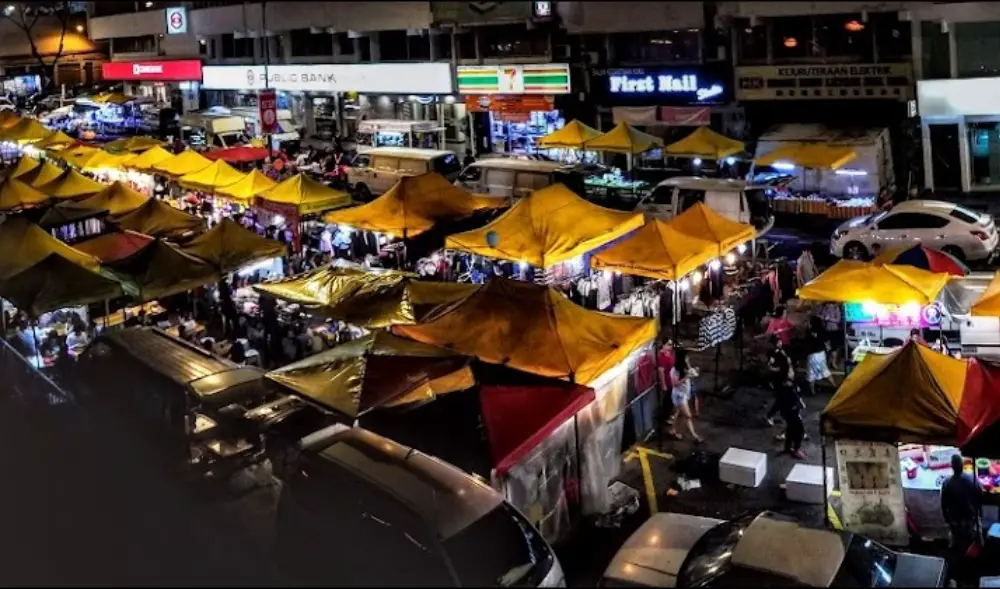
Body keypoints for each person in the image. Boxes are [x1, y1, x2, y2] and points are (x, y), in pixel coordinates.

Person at [941, 454, 983, 566]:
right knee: (972, 542)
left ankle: (958, 564)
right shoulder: (973, 480)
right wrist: (979, 514)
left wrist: (948, 520)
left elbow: (943, 505)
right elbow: (980, 497)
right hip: (970, 519)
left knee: (957, 544)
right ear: (963, 465)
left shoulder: (947, 483)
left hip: (956, 520)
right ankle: (970, 564)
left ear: (952, 467)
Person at [668, 348, 703, 443]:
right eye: (686, 357)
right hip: (679, 396)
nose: (687, 359)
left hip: (684, 393)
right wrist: (687, 377)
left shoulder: (685, 367)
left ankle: (672, 430)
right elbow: (675, 383)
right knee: (688, 415)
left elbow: (693, 373)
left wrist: (693, 370)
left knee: (678, 413)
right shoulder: (675, 370)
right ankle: (695, 436)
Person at [765, 334, 793, 425]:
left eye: (780, 341)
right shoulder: (773, 354)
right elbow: (769, 366)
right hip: (779, 380)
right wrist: (777, 369)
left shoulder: (782, 351)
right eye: (778, 342)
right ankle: (770, 415)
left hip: (785, 378)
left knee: (785, 399)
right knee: (781, 400)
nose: (780, 343)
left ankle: (782, 415)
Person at [776, 375, 807, 459]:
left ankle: (788, 447)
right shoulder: (787, 391)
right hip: (791, 413)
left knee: (790, 430)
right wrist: (797, 406)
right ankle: (796, 449)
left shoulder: (790, 389)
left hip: (790, 413)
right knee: (799, 431)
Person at [804, 316, 835, 395]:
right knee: (825, 370)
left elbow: (807, 342)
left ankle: (812, 391)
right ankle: (834, 386)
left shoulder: (809, 331)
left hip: (813, 355)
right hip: (821, 354)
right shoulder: (822, 331)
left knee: (811, 373)